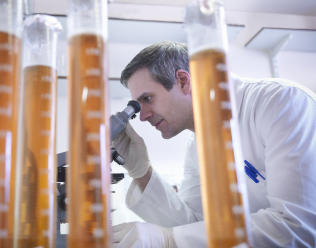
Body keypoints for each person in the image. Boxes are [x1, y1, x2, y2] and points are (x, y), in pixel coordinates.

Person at [111, 41, 316, 247]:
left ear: (183, 81)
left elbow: (298, 226)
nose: (143, 116)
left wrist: (169, 238)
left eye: (148, 98)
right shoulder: (195, 147)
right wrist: (141, 172)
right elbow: (190, 225)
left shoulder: (281, 103)